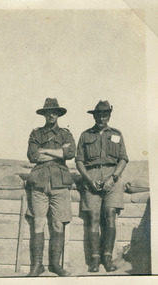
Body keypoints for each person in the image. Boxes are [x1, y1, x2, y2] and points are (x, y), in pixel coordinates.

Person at [75, 101, 129, 273]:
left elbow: (123, 159)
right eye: (99, 114)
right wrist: (88, 179)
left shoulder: (117, 134)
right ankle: (94, 260)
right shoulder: (85, 135)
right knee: (93, 217)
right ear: (94, 116)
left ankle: (107, 258)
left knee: (110, 215)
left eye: (105, 114)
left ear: (109, 116)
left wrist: (113, 178)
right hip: (91, 178)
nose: (102, 117)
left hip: (112, 178)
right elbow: (79, 161)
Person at [26, 98, 76, 277]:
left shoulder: (65, 134)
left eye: (55, 112)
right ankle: (37, 265)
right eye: (49, 112)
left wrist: (44, 150)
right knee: (38, 222)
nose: (52, 114)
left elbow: (70, 153)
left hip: (60, 183)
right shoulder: (36, 134)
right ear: (44, 114)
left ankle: (55, 264)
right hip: (39, 182)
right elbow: (32, 156)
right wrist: (57, 154)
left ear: (58, 114)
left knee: (57, 223)